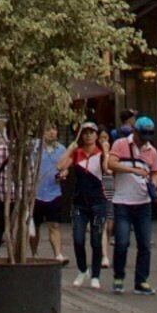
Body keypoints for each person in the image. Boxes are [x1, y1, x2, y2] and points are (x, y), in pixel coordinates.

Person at [104, 116, 157, 294]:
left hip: (143, 202)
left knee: (144, 244)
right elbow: (110, 164)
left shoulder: (152, 151)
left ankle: (141, 280)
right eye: (142, 136)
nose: (145, 140)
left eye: (147, 137)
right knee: (121, 242)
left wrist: (154, 184)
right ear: (135, 132)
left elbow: (155, 172)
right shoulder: (121, 144)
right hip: (122, 202)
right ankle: (118, 276)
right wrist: (132, 170)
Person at [65, 122, 110, 284]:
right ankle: (82, 269)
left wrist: (106, 151)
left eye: (92, 133)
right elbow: (60, 166)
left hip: (98, 202)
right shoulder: (77, 153)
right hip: (79, 203)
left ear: (97, 136)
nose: (88, 136)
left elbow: (106, 169)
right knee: (78, 238)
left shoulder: (100, 154)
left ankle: (96, 275)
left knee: (96, 239)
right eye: (85, 133)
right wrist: (69, 150)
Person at [34, 124, 72, 262]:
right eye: (47, 129)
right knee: (35, 225)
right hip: (35, 193)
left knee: (54, 224)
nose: (51, 132)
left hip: (54, 192)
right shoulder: (34, 147)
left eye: (54, 129)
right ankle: (34, 254)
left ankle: (58, 254)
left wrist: (63, 173)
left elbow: (66, 167)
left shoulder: (61, 149)